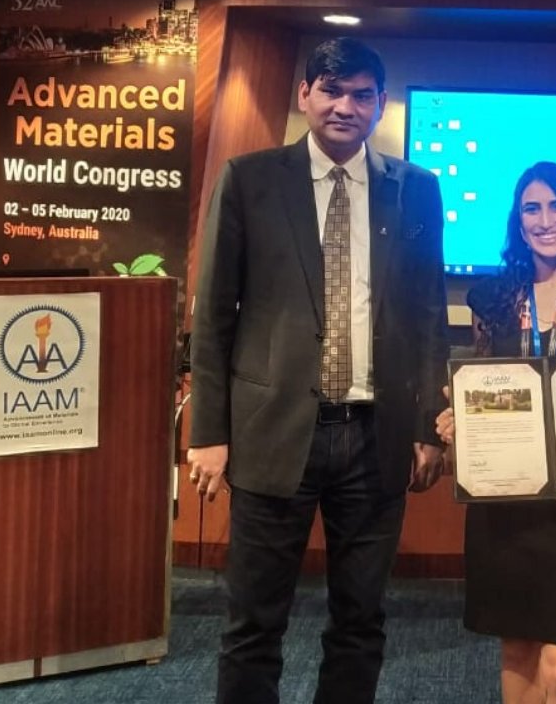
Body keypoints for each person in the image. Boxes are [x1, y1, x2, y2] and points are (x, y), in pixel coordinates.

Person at [187, 37, 449, 704]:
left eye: (361, 95)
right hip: (272, 432)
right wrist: (208, 433)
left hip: (375, 436)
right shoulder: (249, 180)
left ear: (379, 104)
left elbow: (426, 313)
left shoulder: (415, 190)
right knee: (253, 623)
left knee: (360, 621)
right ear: (304, 94)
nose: (344, 107)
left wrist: (428, 425)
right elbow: (213, 315)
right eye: (331, 91)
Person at [437, 161, 556, 704]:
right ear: (518, 222)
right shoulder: (492, 299)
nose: (545, 220)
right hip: (505, 502)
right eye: (532, 209)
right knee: (518, 653)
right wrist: (461, 419)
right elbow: (483, 382)